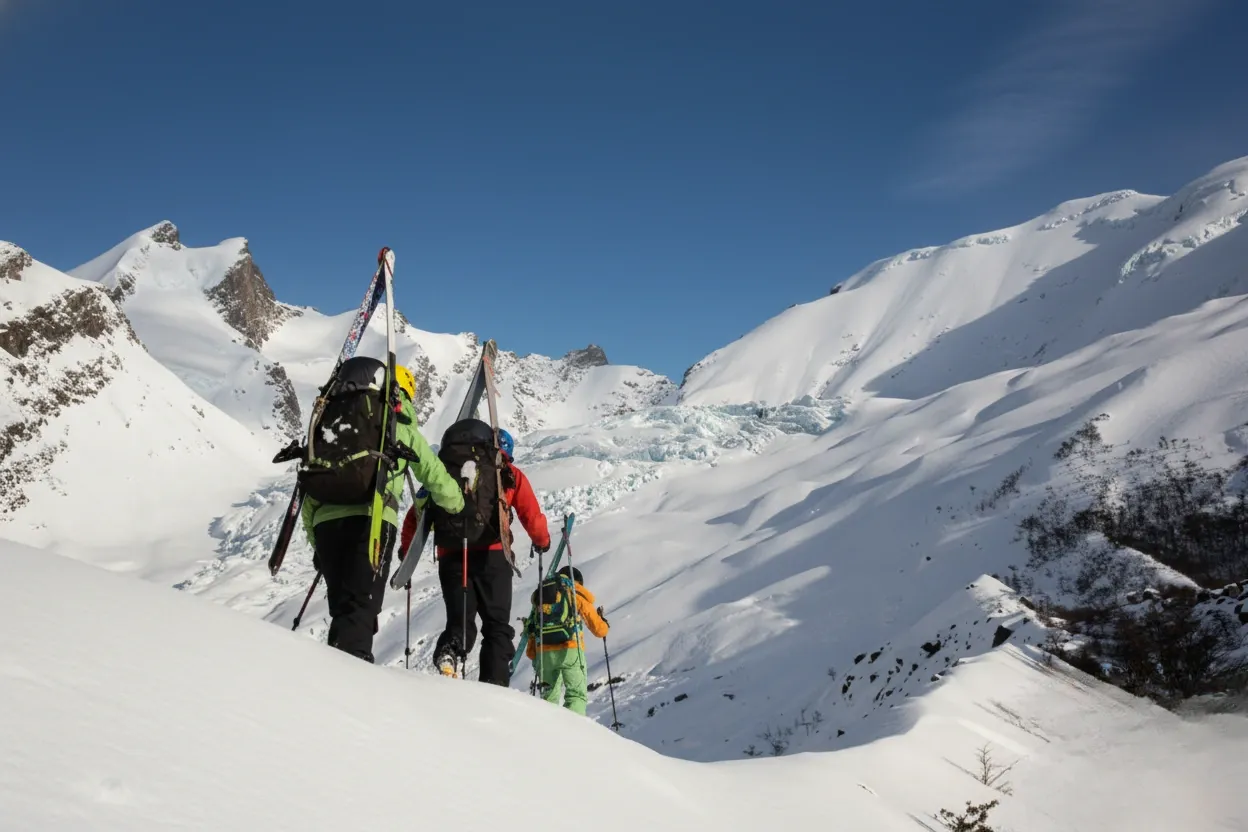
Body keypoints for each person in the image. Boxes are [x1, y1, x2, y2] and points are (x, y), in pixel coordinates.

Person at [301, 362, 464, 663]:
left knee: (342, 608)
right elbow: (436, 475)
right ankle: (352, 678)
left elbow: (310, 493)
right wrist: (457, 505)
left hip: (326, 526)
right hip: (372, 521)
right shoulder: (396, 427)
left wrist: (317, 546)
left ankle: (331, 675)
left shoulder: (340, 427)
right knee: (362, 605)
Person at [399, 424, 551, 684]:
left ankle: (450, 651)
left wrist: (406, 553)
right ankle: (494, 687)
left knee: (460, 620)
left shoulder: (446, 474)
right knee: (497, 627)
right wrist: (542, 541)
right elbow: (530, 514)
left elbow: (416, 515)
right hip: (493, 557)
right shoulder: (506, 472)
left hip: (452, 557)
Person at [526, 565, 609, 715]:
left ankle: (548, 731)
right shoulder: (574, 594)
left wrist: (533, 654)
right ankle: (573, 734)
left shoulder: (543, 597)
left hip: (544, 653)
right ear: (576, 581)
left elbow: (532, 627)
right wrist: (604, 624)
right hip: (569, 649)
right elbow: (599, 630)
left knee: (548, 697)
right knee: (576, 695)